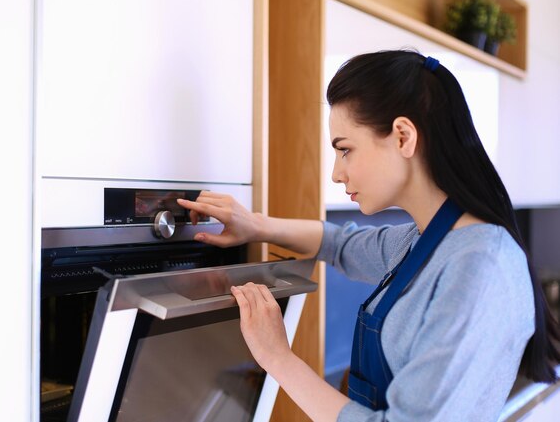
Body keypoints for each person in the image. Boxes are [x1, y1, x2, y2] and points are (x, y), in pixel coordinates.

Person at [177, 50, 560, 422]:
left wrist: (277, 356)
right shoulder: (424, 240)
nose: (336, 173)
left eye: (345, 150)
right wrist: (255, 226)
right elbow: (336, 244)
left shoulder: (479, 266)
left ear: (403, 137)